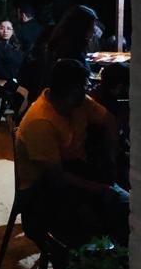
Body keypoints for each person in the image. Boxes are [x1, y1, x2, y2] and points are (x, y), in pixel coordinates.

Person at [14, 58, 129, 246]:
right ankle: (93, 258)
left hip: (77, 174)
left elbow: (110, 122)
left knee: (129, 208)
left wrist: (111, 160)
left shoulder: (78, 102)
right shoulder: (40, 121)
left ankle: (109, 255)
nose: (87, 92)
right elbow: (56, 177)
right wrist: (100, 189)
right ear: (69, 91)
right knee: (121, 212)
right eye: (83, 88)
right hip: (43, 193)